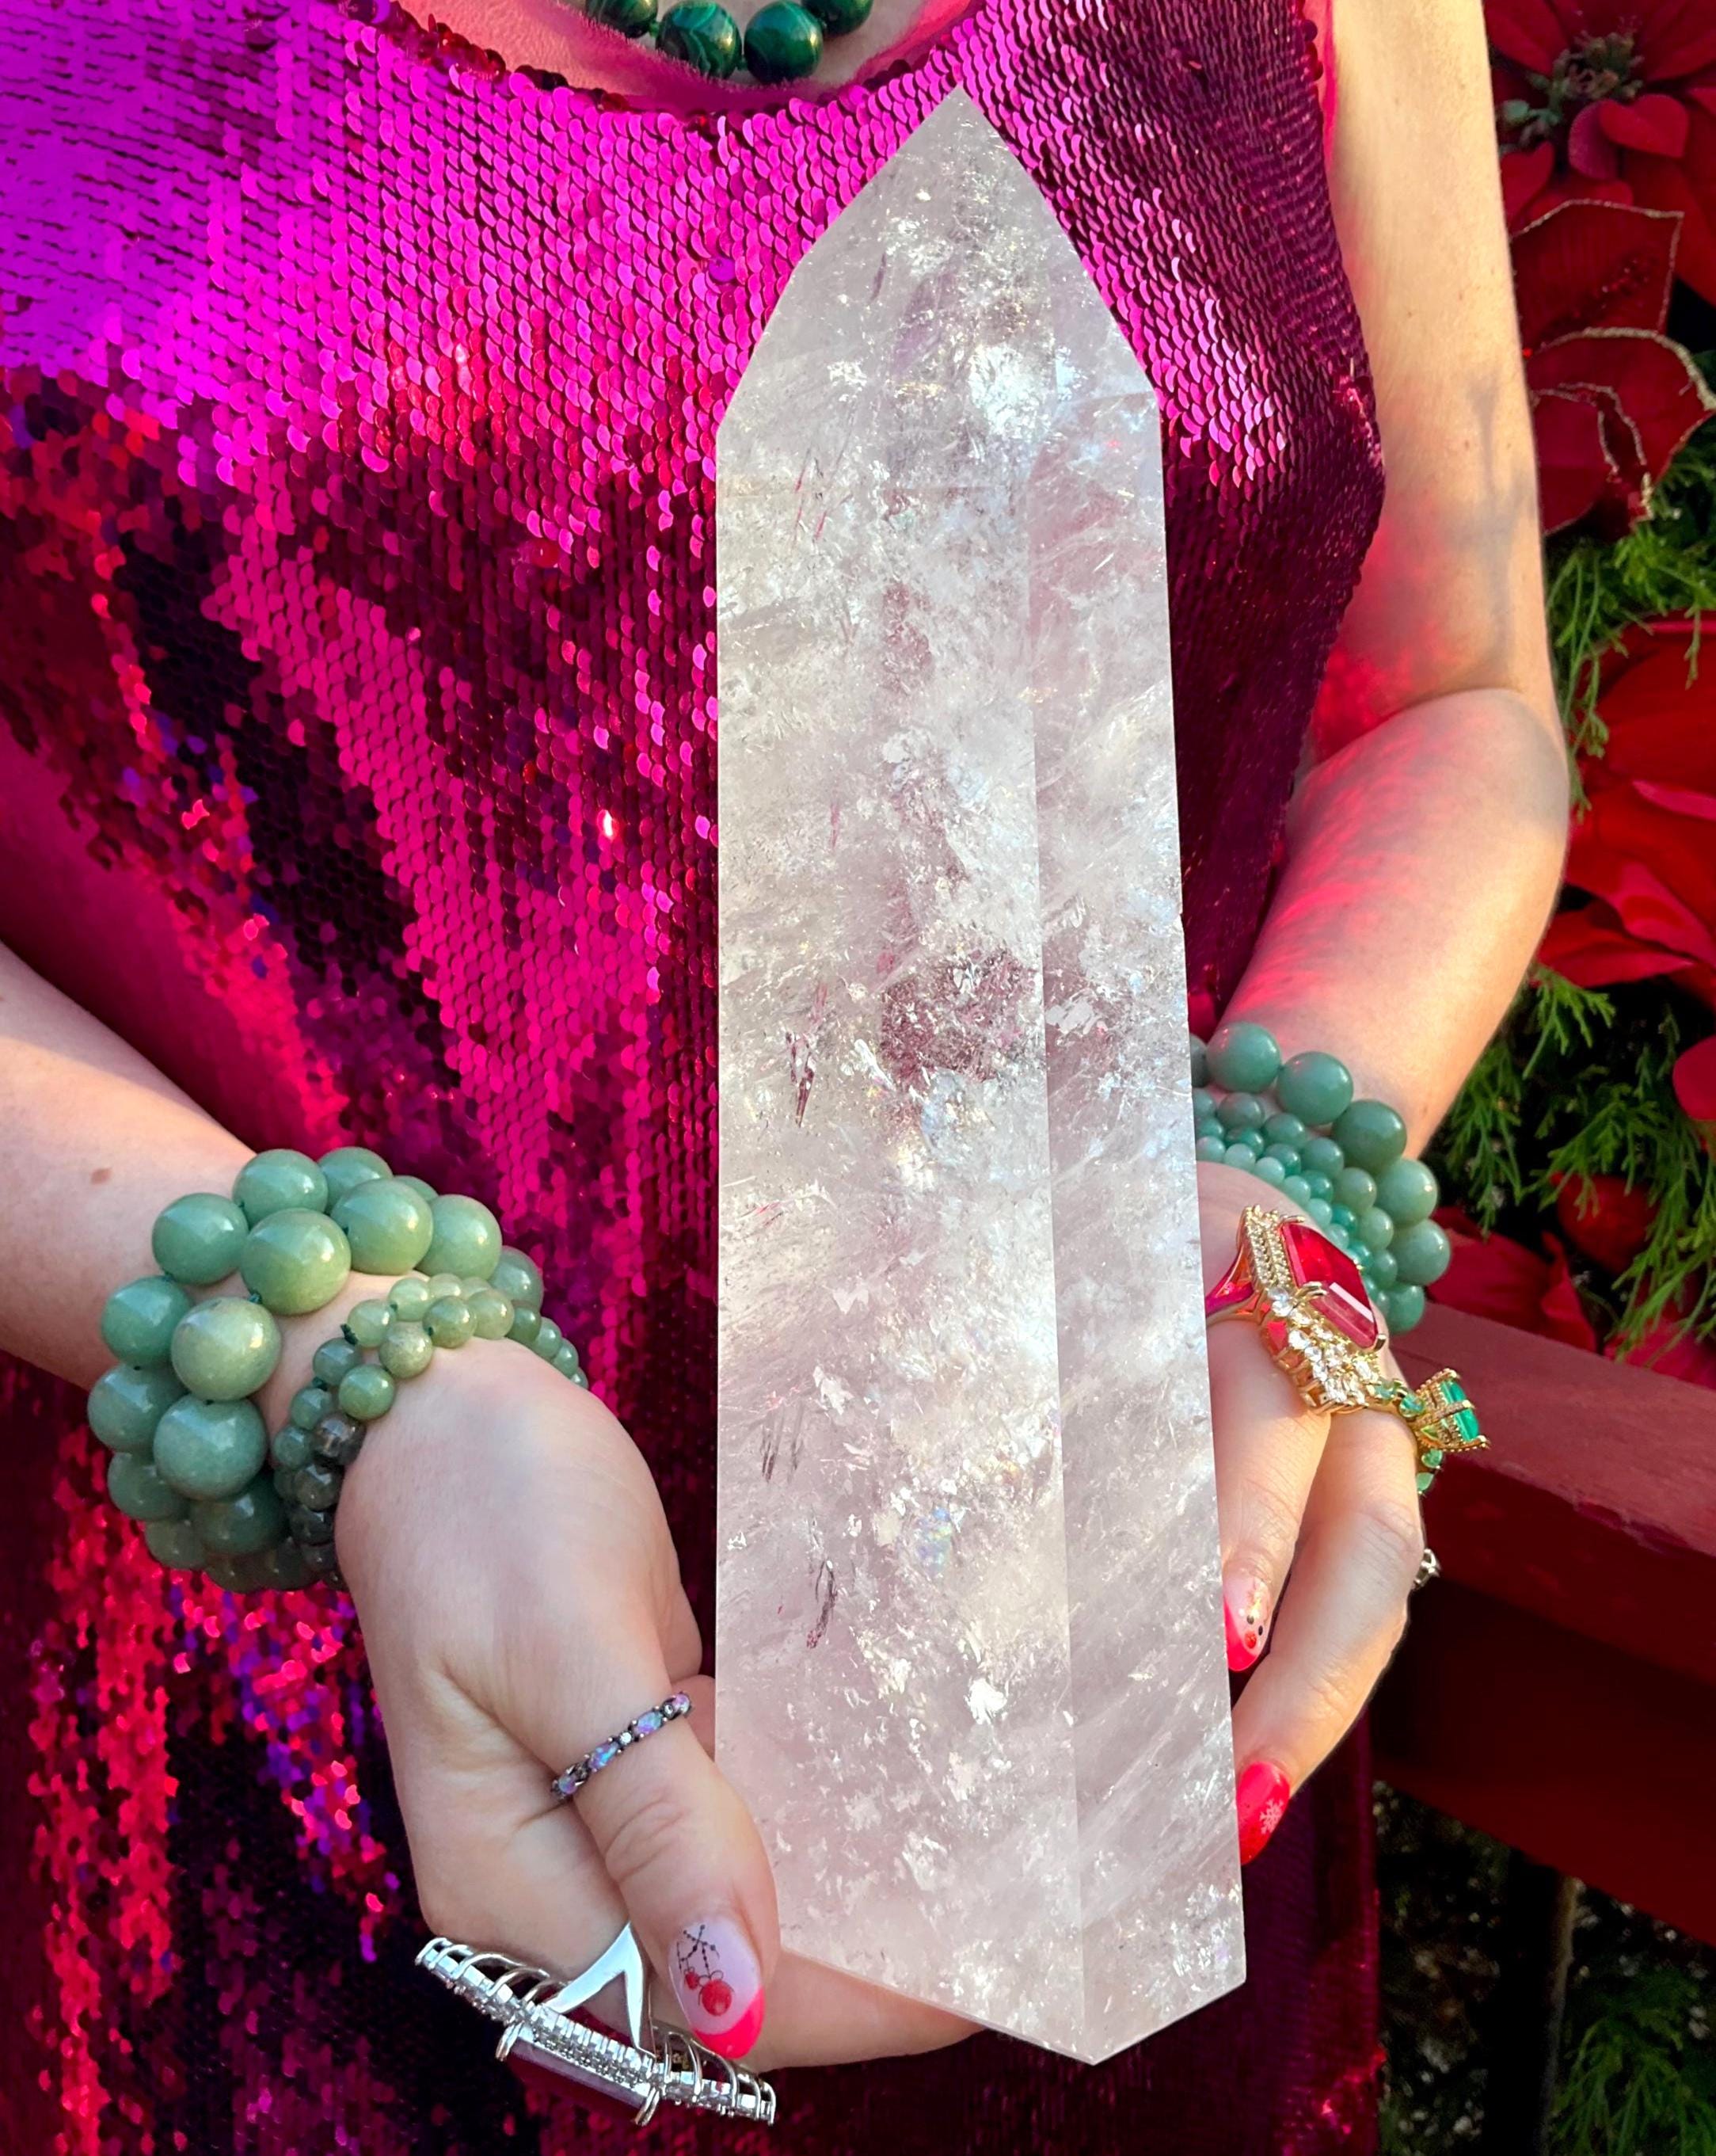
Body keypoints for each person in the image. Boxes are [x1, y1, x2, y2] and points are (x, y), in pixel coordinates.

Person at [0, 0, 1567, 2143]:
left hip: (1075, 1712)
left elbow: (1449, 698)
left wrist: (1266, 1183)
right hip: (223, 1757)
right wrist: (337, 1372)